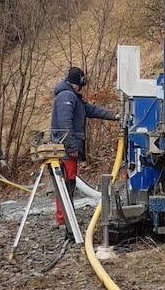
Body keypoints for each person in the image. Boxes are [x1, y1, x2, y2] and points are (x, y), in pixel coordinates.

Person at [50, 67, 118, 234]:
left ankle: (63, 218)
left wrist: (114, 115)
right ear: (79, 82)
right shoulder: (67, 96)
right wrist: (71, 146)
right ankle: (65, 220)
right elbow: (66, 123)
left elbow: (91, 110)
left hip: (65, 147)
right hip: (66, 149)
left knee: (65, 183)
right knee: (67, 183)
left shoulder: (72, 97)